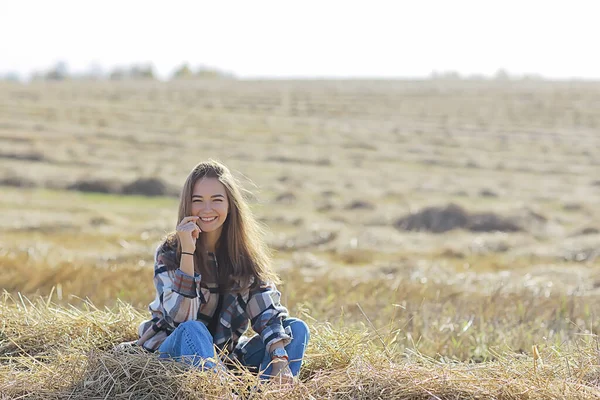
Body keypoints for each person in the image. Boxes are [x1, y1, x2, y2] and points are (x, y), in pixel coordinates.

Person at [136, 160, 310, 384]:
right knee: (193, 329)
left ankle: (267, 394)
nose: (207, 210)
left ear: (230, 204)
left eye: (216, 200)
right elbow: (179, 321)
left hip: (225, 359)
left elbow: (267, 310)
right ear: (187, 206)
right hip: (173, 353)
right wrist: (188, 253)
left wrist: (280, 359)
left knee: (295, 328)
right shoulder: (170, 252)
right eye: (197, 201)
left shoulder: (243, 254)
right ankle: (224, 392)